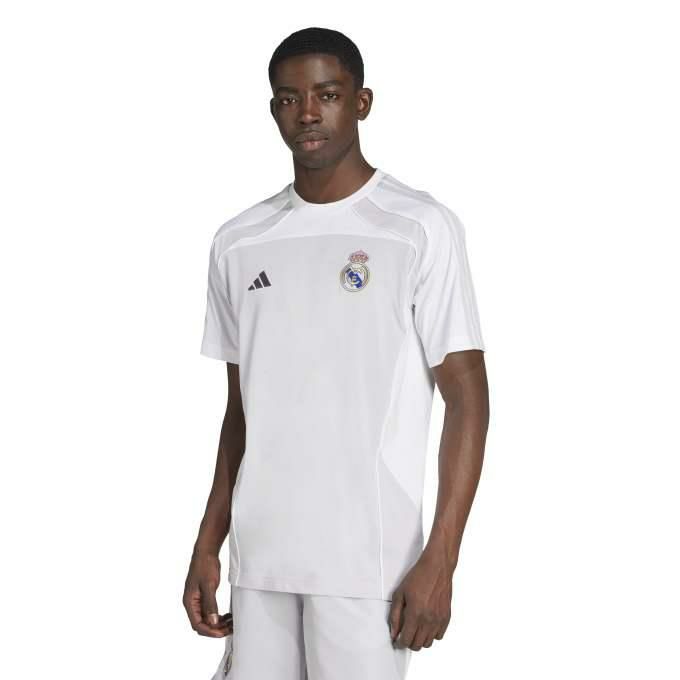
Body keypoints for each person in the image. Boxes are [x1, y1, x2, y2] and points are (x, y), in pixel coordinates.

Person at [183, 26, 490, 679]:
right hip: (261, 562)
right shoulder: (239, 241)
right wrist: (209, 543)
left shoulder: (418, 227)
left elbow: (467, 399)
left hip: (369, 567)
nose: (308, 113)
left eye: (327, 94)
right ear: (274, 110)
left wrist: (442, 557)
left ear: (361, 101)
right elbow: (241, 412)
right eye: (289, 99)